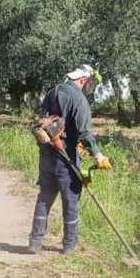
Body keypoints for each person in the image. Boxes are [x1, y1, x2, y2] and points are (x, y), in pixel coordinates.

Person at [28, 63, 112, 255]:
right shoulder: (79, 99)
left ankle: (34, 241)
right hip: (65, 157)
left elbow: (44, 121)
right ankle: (69, 244)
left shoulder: (52, 92)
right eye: (88, 83)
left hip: (46, 155)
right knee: (70, 200)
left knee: (44, 198)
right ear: (83, 80)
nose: (88, 87)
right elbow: (85, 134)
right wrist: (98, 155)